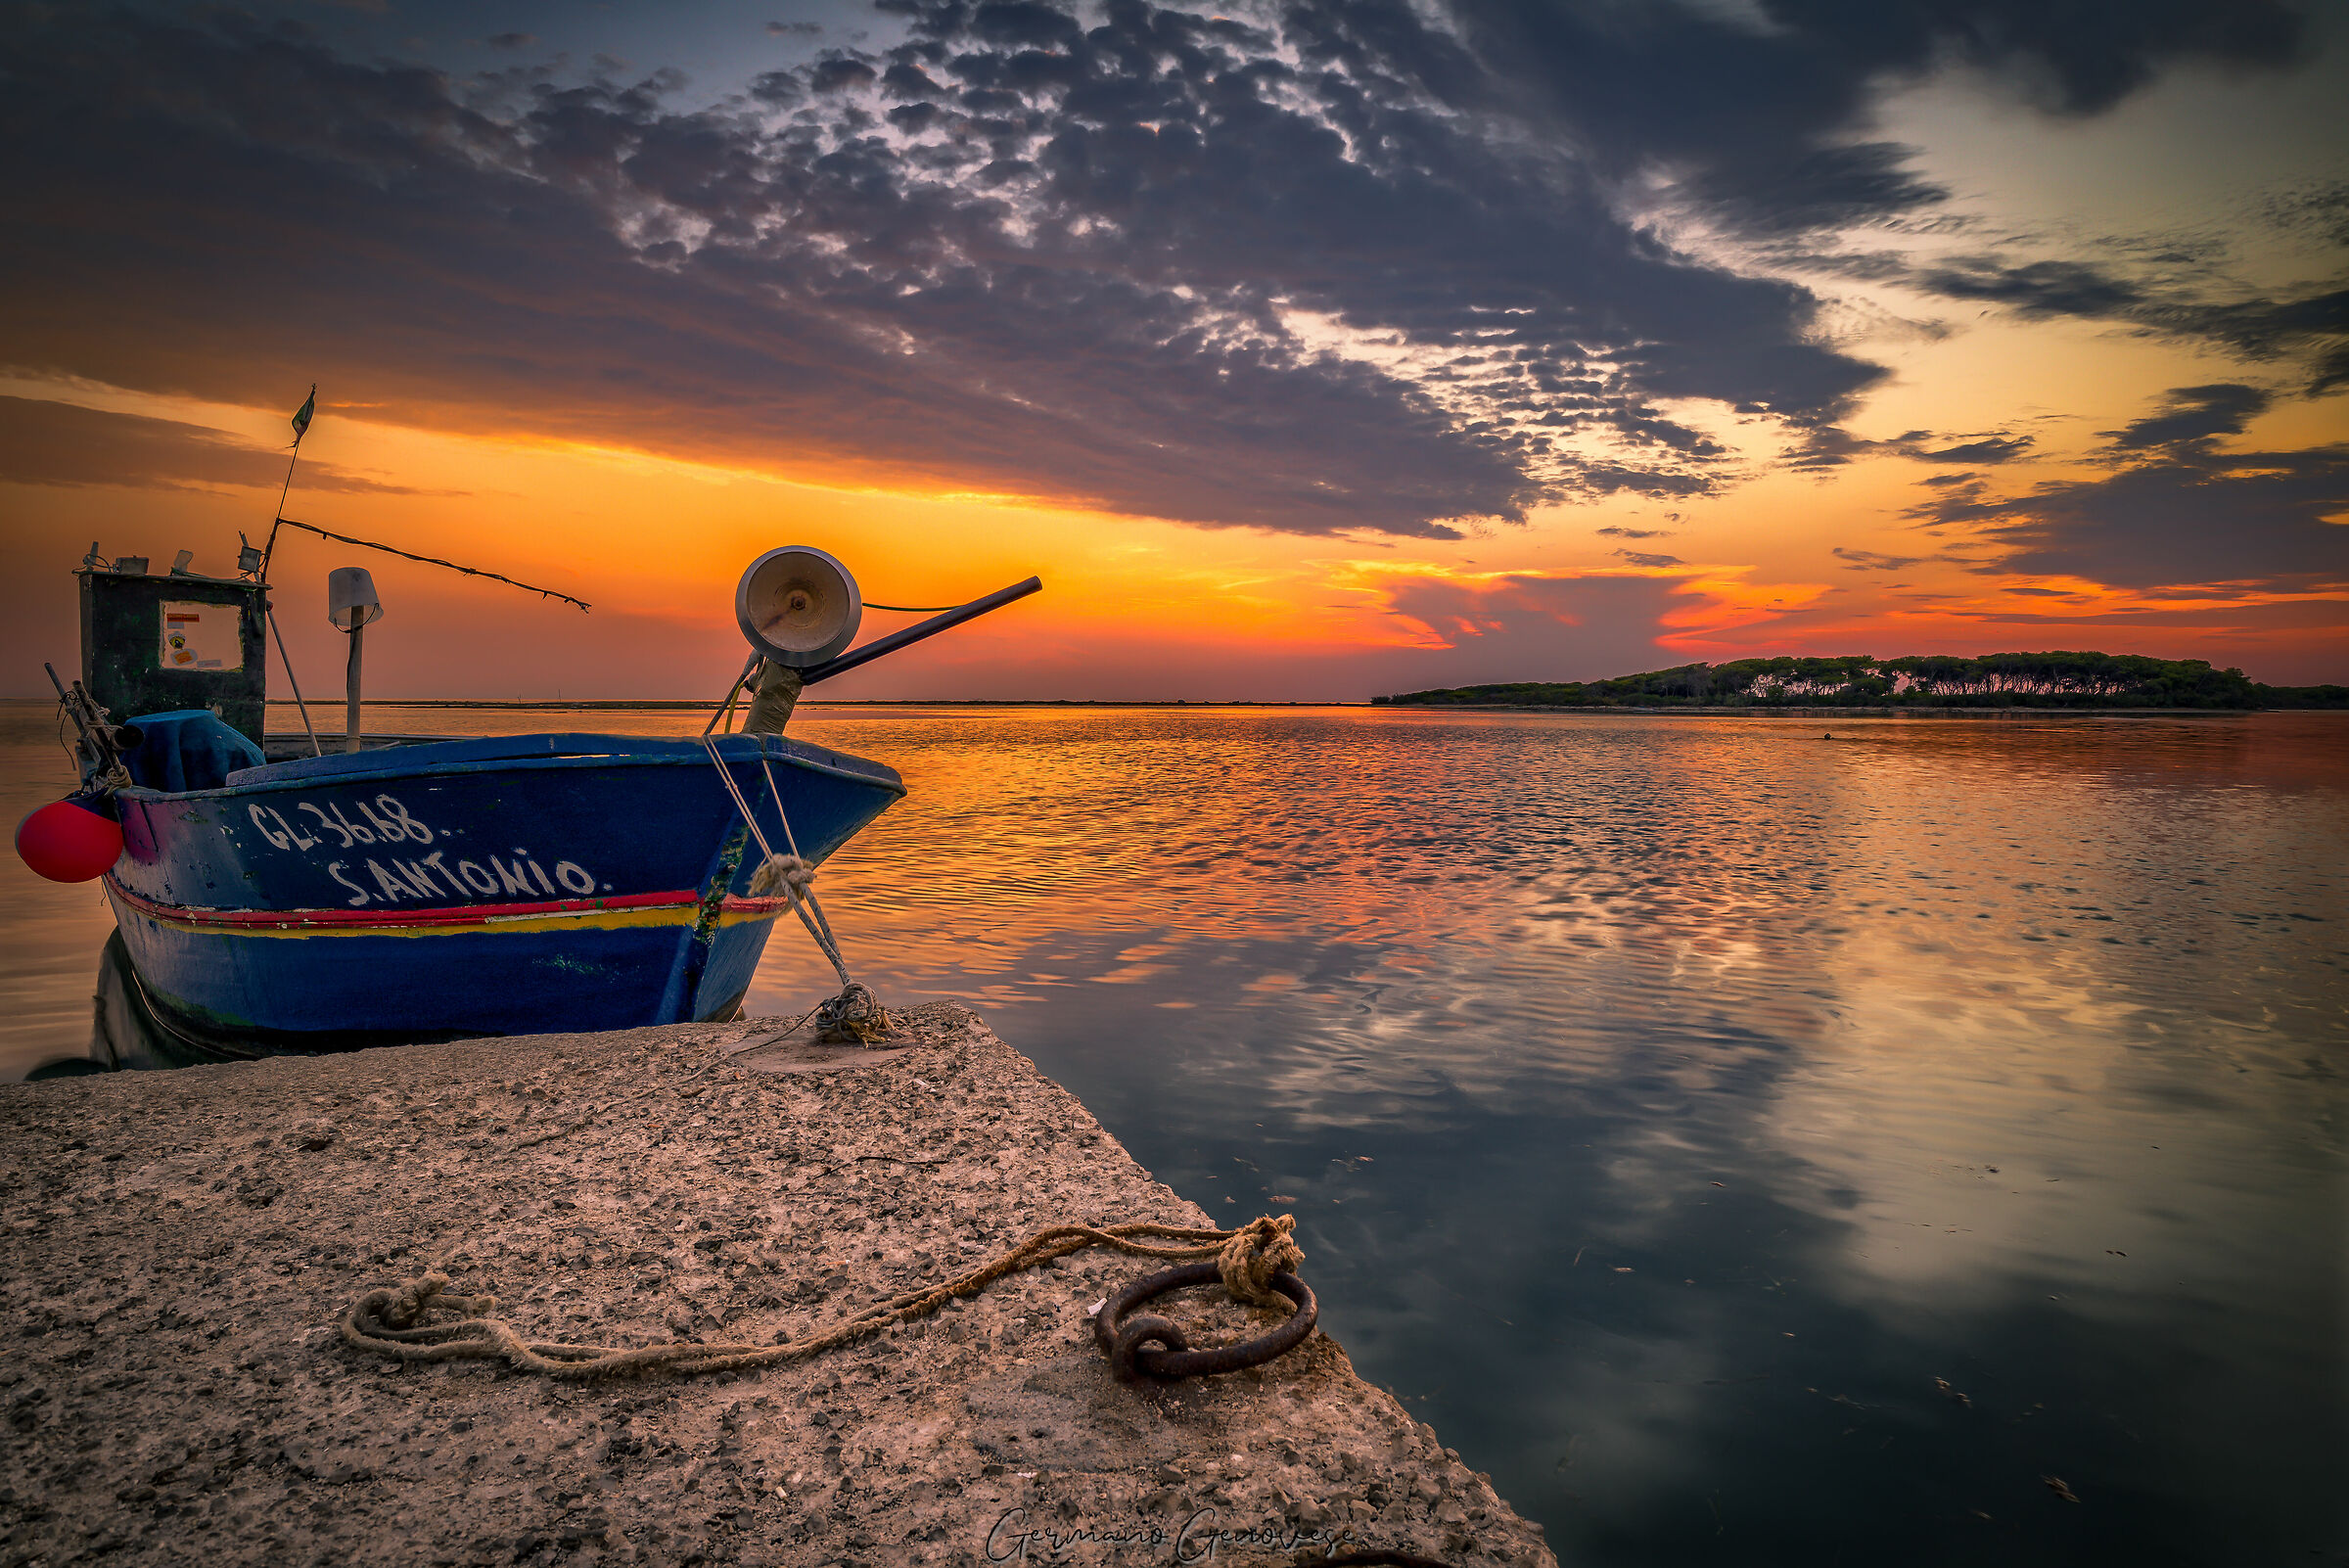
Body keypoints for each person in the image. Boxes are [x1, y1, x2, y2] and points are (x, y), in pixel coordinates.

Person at [741, 660, 803, 734]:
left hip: (756, 731)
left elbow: (764, 684)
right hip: (770, 734)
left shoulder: (774, 665)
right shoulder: (800, 672)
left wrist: (750, 681)